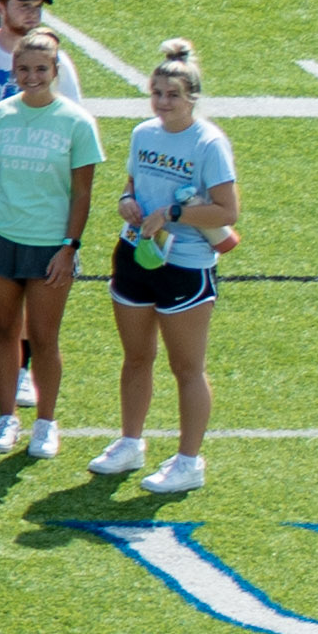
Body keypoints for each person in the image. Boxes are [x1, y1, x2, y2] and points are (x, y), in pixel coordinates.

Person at [99, 41, 241, 490]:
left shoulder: (209, 143)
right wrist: (126, 202)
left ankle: (188, 462)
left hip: (185, 265)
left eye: (172, 95)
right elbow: (132, 183)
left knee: (187, 367)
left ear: (192, 97)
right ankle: (130, 443)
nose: (162, 102)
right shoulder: (144, 134)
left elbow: (226, 211)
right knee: (136, 357)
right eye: (157, 93)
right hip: (136, 256)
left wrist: (174, 216)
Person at [0, 27, 101, 462]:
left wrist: (69, 247)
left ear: (55, 71)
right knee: (3, 332)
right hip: (0, 236)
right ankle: (6, 417)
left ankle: (45, 422)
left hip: (49, 245)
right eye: (23, 69)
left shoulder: (77, 123)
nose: (32, 76)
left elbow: (82, 193)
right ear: (13, 70)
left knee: (44, 338)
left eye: (41, 68)